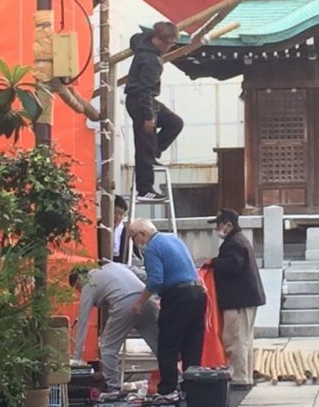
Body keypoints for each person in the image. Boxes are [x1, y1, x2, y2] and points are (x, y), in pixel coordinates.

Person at [129, 218, 206, 402]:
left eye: (133, 237)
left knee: (167, 345)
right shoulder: (174, 239)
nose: (134, 242)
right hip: (198, 293)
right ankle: (192, 388)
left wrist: (140, 302)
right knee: (192, 345)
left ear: (142, 234)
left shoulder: (152, 248)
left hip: (178, 296)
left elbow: (156, 280)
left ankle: (168, 390)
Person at [70, 262, 159, 394]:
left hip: (125, 304)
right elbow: (141, 274)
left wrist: (76, 358)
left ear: (79, 279)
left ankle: (113, 388)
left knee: (107, 348)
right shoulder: (112, 266)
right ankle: (174, 378)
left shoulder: (88, 283)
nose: (79, 291)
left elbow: (83, 320)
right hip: (146, 299)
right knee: (159, 345)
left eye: (78, 288)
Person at [207, 209, 266, 390]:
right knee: (244, 340)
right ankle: (244, 376)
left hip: (239, 300)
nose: (217, 228)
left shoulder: (234, 243)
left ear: (229, 224)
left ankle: (240, 378)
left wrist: (213, 262)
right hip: (245, 299)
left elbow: (233, 265)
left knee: (236, 339)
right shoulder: (239, 240)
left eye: (219, 224)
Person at [124, 22, 183, 202]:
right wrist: (148, 117)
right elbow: (145, 90)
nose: (168, 48)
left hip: (142, 100)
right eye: (168, 44)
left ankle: (154, 151)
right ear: (158, 40)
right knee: (144, 143)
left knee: (174, 123)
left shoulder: (142, 41)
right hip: (142, 102)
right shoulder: (151, 61)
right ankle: (145, 189)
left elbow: (134, 38)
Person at [112, 195, 129, 263]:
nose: (118, 217)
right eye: (115, 212)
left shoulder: (124, 230)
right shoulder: (98, 227)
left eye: (121, 214)